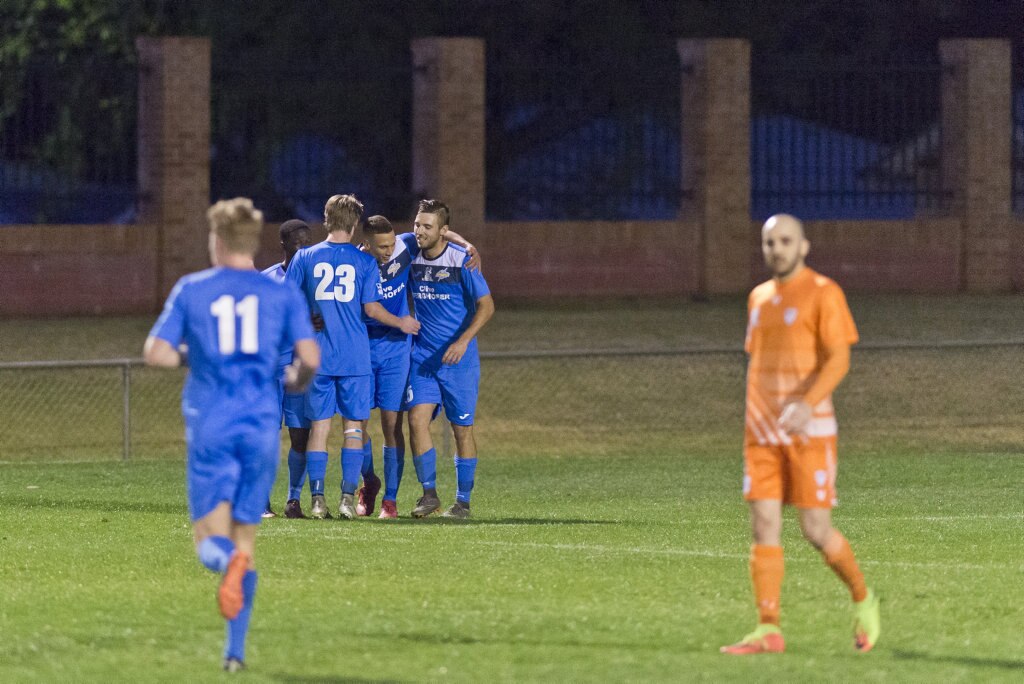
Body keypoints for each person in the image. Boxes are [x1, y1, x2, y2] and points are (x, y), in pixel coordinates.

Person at [143, 198, 319, 672]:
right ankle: (234, 652)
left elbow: (156, 353)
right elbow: (309, 359)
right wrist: (292, 381)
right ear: (252, 243)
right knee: (247, 539)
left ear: (217, 240)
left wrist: (192, 357)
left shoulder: (192, 289)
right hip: (262, 425)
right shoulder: (281, 294)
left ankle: (226, 568)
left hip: (211, 426)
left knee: (210, 544)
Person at [720, 213, 880, 655]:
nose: (778, 249)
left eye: (786, 241)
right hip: (761, 432)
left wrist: (805, 404)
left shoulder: (825, 293)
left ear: (803, 247)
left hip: (810, 432)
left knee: (815, 529)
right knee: (764, 525)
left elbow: (838, 360)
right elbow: (758, 360)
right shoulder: (758, 298)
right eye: (771, 243)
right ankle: (768, 629)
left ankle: (863, 599)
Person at [286, 194, 420, 520]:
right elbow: (371, 309)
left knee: (318, 428)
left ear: (326, 217)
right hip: (355, 358)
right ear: (355, 225)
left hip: (318, 357)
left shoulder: (305, 257)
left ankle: (317, 500)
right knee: (353, 430)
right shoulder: (363, 262)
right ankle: (347, 499)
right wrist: (401, 321)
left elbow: (286, 304)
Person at [357, 215, 481, 519]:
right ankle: (389, 486)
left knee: (401, 425)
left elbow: (440, 233)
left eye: (390, 244)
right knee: (363, 424)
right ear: (366, 243)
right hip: (375, 351)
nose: (388, 250)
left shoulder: (408, 246)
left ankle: (405, 500)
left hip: (406, 352)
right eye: (381, 246)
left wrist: (468, 245)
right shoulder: (356, 263)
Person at [405, 199, 494, 519]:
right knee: (416, 420)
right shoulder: (409, 251)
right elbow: (382, 242)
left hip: (459, 359)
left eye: (427, 226)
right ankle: (429, 494)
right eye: (417, 224)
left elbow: (487, 306)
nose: (419, 231)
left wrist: (463, 340)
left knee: (461, 430)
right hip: (423, 357)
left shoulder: (461, 262)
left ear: (443, 231)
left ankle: (462, 502)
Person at [261, 219, 316, 519]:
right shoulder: (267, 279)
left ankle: (294, 500)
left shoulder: (316, 280)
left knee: (300, 436)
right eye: (298, 243)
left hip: (300, 369)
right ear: (283, 244)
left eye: (309, 243)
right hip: (270, 369)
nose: (304, 249)